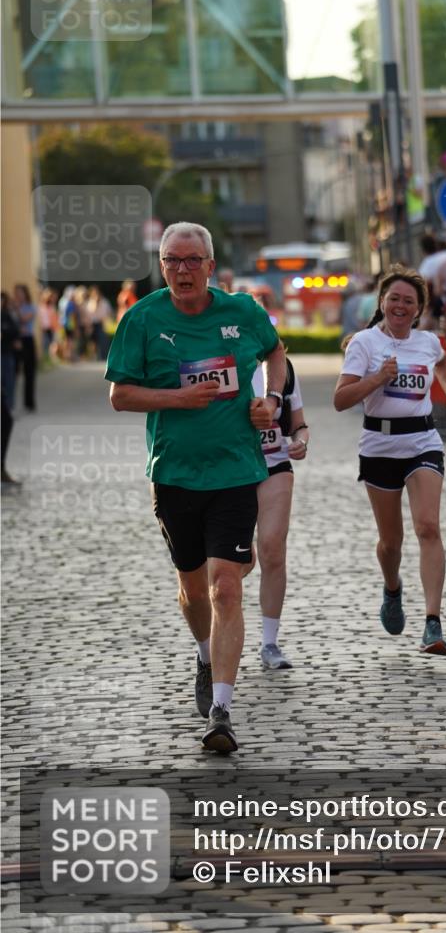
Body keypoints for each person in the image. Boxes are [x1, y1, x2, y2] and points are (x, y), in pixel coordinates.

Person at [105, 221, 286, 754]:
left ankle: (222, 710)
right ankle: (204, 656)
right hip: (175, 473)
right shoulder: (141, 319)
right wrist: (177, 400)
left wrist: (272, 401)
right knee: (191, 589)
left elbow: (277, 353)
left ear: (210, 264)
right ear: (161, 266)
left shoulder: (244, 312)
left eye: (192, 260)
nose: (182, 270)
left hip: (235, 470)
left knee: (226, 586)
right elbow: (120, 396)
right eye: (171, 261)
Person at [334, 267, 446, 656]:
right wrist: (376, 379)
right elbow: (341, 400)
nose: (400, 306)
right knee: (391, 542)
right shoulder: (364, 343)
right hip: (379, 445)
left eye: (409, 301)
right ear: (382, 303)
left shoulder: (427, 342)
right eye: (394, 299)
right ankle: (392, 588)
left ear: (419, 309)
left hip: (423, 440)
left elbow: (444, 360)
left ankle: (432, 623)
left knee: (428, 526)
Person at [251, 356, 309, 670]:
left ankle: (269, 642)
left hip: (275, 466)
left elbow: (299, 424)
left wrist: (300, 441)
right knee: (238, 563)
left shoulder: (282, 367)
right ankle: (215, 636)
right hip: (229, 471)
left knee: (273, 549)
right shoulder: (219, 359)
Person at [13, 285, 37, 412]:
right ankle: (10, 402)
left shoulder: (31, 307)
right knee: (14, 372)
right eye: (16, 293)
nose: (17, 295)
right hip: (16, 340)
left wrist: (16, 310)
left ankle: (29, 403)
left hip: (27, 340)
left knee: (29, 372)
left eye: (20, 293)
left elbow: (24, 319)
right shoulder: (12, 307)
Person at [1, 292, 21, 412]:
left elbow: (15, 331)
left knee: (8, 380)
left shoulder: (6, 315)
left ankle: (8, 407)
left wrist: (4, 332)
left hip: (6, 352)